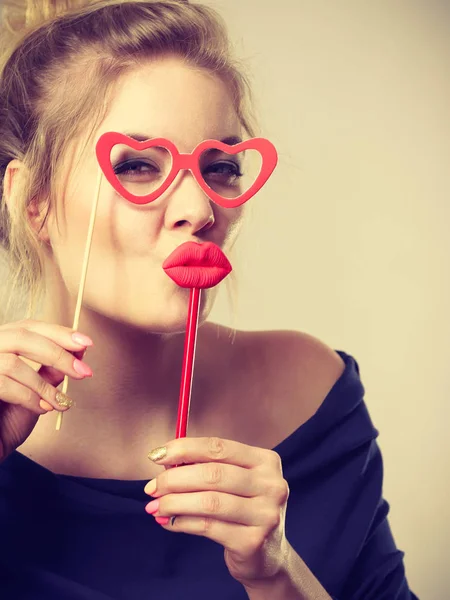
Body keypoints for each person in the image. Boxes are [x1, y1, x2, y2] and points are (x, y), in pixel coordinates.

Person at [0, 1, 419, 599]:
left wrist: (279, 574)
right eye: (139, 165)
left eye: (220, 168)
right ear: (33, 199)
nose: (200, 211)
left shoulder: (311, 391)